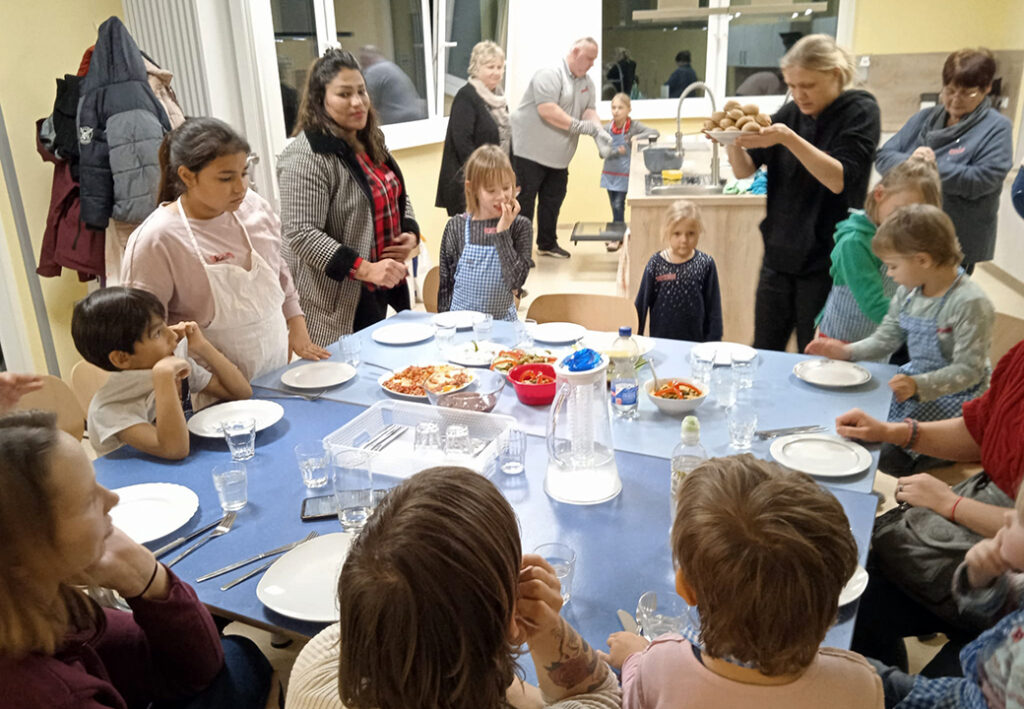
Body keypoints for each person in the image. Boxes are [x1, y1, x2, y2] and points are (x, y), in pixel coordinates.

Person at [0, 411, 273, 708]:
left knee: (237, 654)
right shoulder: (45, 694)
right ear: (21, 554)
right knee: (244, 662)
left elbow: (194, 670)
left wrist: (145, 576)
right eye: (88, 498)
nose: (112, 499)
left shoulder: (48, 604)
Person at [285, 467, 621, 709]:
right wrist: (544, 626)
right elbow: (598, 695)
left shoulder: (317, 662)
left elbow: (445, 665)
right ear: (509, 625)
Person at [604, 454, 883, 709]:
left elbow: (634, 701)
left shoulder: (661, 665)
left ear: (685, 588)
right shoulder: (860, 684)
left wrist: (632, 660)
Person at [838, 338, 1024, 676]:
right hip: (982, 571)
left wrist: (950, 504)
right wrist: (891, 432)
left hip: (998, 602)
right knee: (854, 606)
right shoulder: (1020, 359)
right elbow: (980, 426)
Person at [122, 117, 327, 382]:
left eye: (244, 172)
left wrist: (296, 323)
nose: (241, 187)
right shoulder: (156, 239)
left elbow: (278, 267)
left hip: (274, 370)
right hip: (208, 389)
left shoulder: (254, 207)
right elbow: (144, 334)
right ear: (187, 176)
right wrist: (210, 384)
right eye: (225, 178)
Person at [807, 204, 994, 474]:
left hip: (955, 400)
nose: (890, 274)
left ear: (923, 260)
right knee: (858, 427)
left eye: (893, 266)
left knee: (888, 454)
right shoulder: (910, 292)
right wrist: (847, 352)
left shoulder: (970, 303)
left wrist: (919, 385)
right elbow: (887, 336)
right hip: (916, 383)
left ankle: (930, 465)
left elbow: (969, 371)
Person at [723, 34, 880, 352]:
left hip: (828, 261)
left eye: (807, 85)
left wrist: (787, 139)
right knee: (765, 348)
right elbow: (744, 171)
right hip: (779, 256)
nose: (798, 94)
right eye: (792, 85)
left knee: (817, 353)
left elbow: (839, 180)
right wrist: (730, 138)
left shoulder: (860, 111)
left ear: (835, 73)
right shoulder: (790, 114)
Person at [278, 48, 419, 344]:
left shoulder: (369, 140)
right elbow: (301, 233)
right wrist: (366, 269)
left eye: (361, 92)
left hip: (375, 289)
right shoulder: (305, 157)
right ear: (320, 100)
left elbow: (395, 193)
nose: (357, 102)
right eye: (344, 94)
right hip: (332, 302)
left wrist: (409, 233)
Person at [868, 484, 1024, 709]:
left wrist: (884, 683)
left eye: (1019, 519)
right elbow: (993, 610)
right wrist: (983, 578)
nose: (1006, 516)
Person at [875, 48, 1013, 274]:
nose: (955, 100)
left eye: (967, 93)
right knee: (897, 297)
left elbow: (983, 179)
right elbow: (883, 156)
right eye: (949, 91)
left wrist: (930, 168)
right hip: (907, 231)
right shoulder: (925, 118)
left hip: (957, 236)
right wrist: (913, 161)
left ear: (987, 89)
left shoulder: (996, 127)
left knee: (941, 304)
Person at [72, 287, 251, 459]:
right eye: (158, 332)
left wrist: (203, 346)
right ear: (122, 358)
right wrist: (163, 378)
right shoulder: (110, 409)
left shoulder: (172, 362)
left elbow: (241, 392)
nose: (172, 335)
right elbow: (174, 450)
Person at [815, 158, 943, 346]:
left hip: (876, 339)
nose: (906, 222)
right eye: (899, 211)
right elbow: (874, 305)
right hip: (839, 341)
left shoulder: (900, 233)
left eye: (917, 217)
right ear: (879, 194)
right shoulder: (854, 243)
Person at [511, 37, 612, 261]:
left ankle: (547, 243)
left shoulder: (587, 83)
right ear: (575, 52)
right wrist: (578, 127)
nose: (593, 64)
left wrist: (599, 131)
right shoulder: (550, 74)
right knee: (524, 202)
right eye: (589, 58)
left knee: (553, 200)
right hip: (528, 152)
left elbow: (588, 111)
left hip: (558, 158)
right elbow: (547, 110)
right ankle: (520, 253)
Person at [438, 145, 531, 320]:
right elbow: (446, 285)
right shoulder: (456, 226)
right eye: (491, 190)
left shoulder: (520, 227)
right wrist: (444, 326)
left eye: (506, 187)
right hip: (461, 324)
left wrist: (503, 231)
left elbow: (516, 282)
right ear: (472, 188)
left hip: (502, 325)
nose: (501, 196)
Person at [436, 40, 512, 217]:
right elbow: (463, 144)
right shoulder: (466, 96)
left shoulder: (499, 98)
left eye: (500, 67)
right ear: (477, 68)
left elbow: (507, 137)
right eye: (490, 66)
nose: (496, 72)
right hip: (470, 185)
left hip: (496, 183)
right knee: (472, 240)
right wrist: (485, 178)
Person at [634, 200, 722, 341]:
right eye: (677, 233)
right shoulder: (656, 264)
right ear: (667, 232)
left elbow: (714, 312)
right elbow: (640, 307)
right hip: (661, 344)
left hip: (695, 346)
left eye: (691, 233)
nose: (684, 240)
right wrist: (635, 342)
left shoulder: (706, 264)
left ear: (699, 232)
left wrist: (713, 345)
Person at [601, 92, 658, 251]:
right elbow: (601, 153)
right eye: (613, 107)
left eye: (620, 107)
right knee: (614, 206)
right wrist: (613, 151)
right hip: (609, 174)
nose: (616, 111)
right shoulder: (606, 128)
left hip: (625, 174)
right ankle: (619, 233)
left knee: (619, 204)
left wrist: (637, 138)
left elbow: (655, 132)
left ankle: (617, 238)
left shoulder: (634, 127)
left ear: (628, 109)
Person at [358, 45, 428, 125]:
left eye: (362, 60)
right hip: (416, 115)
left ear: (365, 59)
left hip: (400, 120)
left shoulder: (375, 71)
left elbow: (367, 101)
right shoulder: (391, 66)